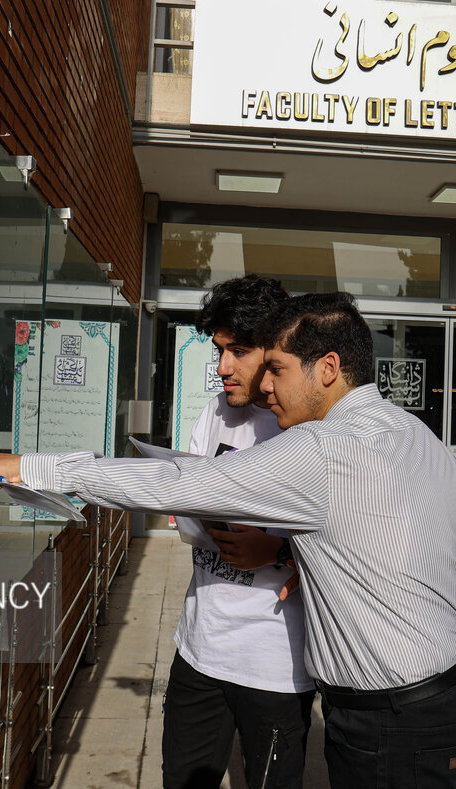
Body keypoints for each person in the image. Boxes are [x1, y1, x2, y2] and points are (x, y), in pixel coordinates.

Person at [0, 292, 456, 789]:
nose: (264, 384)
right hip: (452, 686)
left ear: (327, 369)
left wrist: (30, 467)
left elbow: (178, 483)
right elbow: (447, 552)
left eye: (275, 368)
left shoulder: (321, 448)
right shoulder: (415, 432)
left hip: (393, 717)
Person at [163, 275, 315, 789]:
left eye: (240, 352)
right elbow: (188, 510)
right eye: (220, 350)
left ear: (275, 351)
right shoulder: (214, 413)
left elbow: (355, 528)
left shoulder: (301, 427)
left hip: (274, 662)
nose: (223, 367)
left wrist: (277, 549)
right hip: (200, 646)